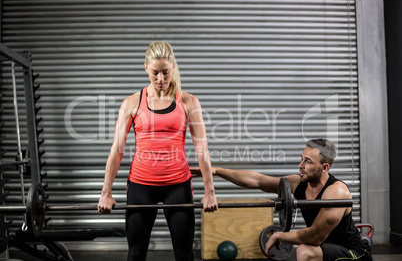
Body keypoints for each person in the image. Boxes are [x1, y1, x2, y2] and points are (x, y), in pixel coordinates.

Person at [97, 41, 218, 261]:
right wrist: (106, 191)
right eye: (155, 73)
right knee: (135, 254)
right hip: (141, 186)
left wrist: (209, 191)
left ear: (173, 67)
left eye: (166, 72)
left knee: (184, 255)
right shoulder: (132, 102)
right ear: (145, 68)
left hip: (178, 186)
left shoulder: (189, 102)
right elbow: (117, 149)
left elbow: (202, 149)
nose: (160, 79)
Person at [191, 138, 372, 261]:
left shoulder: (336, 192)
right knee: (304, 249)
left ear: (324, 167)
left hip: (353, 253)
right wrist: (216, 171)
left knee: (305, 251)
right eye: (301, 159)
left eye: (308, 162)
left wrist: (280, 235)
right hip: (327, 249)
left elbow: (315, 236)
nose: (300, 166)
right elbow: (257, 180)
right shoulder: (298, 183)